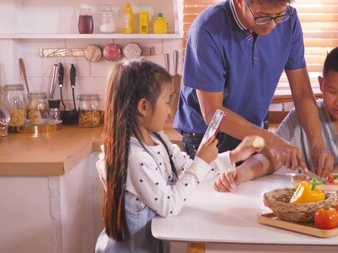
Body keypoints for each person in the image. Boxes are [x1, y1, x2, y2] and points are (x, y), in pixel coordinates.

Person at [174, 0, 334, 176]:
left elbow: (303, 92)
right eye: (262, 17)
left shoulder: (289, 20)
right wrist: (272, 140)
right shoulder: (207, 30)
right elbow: (213, 112)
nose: (271, 24)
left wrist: (318, 146)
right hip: (207, 137)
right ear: (240, 2)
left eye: (278, 15)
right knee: (211, 204)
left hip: (255, 130)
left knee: (251, 200)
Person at [95, 59, 262, 252]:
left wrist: (234, 155)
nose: (169, 110)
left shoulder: (158, 138)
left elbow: (188, 169)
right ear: (143, 107)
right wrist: (200, 162)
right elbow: (168, 206)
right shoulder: (135, 157)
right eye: (166, 101)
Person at [214, 45, 338, 192]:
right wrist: (241, 173)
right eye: (332, 91)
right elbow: (268, 158)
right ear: (321, 85)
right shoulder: (303, 117)